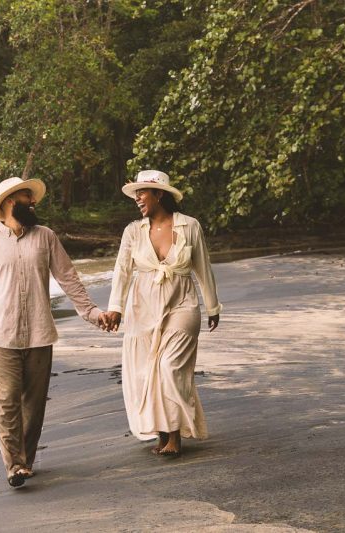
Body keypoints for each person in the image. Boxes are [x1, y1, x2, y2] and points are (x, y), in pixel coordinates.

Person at [0, 176, 107, 487]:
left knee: (34, 403)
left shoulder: (45, 237)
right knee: (7, 400)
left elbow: (68, 278)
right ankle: (15, 465)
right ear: (8, 202)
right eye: (25, 197)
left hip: (39, 333)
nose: (32, 202)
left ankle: (26, 459)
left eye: (31, 198)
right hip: (0, 335)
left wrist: (92, 313)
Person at [103, 170, 222, 457]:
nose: (137, 199)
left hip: (182, 302)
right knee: (147, 372)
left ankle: (175, 437)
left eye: (142, 193)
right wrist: (115, 308)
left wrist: (212, 306)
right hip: (142, 305)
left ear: (159, 194)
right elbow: (122, 271)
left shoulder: (189, 226)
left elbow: (202, 267)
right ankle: (163, 433)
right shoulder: (133, 231)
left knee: (169, 368)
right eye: (136, 194)